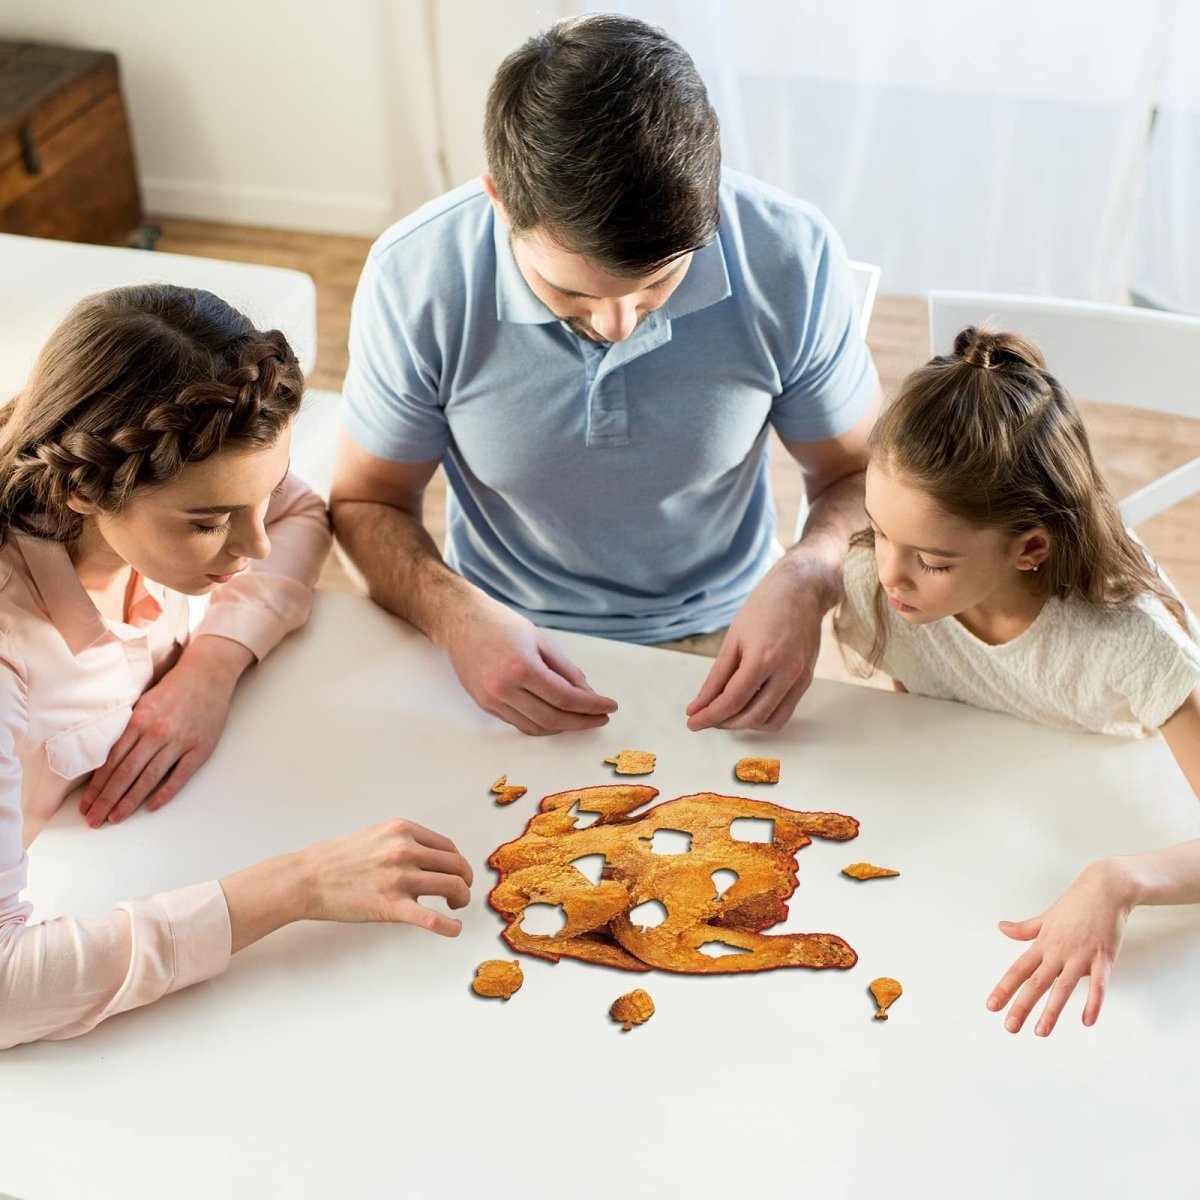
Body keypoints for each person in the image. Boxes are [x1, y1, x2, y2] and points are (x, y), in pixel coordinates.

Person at [330, 14, 880, 736]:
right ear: (500, 202)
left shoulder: (790, 255)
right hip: (493, 633)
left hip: (730, 630)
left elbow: (861, 479)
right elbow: (367, 503)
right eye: (574, 295)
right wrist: (452, 615)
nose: (619, 326)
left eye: (657, 288)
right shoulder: (416, 277)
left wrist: (809, 579)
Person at [0, 285, 472, 1050]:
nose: (250, 549)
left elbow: (295, 514)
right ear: (83, 487)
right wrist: (297, 886)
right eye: (208, 522)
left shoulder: (175, 484)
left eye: (256, 496)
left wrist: (210, 669)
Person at [834, 325, 1200, 1037]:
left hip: (1131, 804)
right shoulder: (879, 593)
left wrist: (1118, 881)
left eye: (932, 561)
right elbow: (934, 717)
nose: (888, 575)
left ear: (1030, 548)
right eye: (879, 531)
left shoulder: (1131, 644)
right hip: (992, 834)